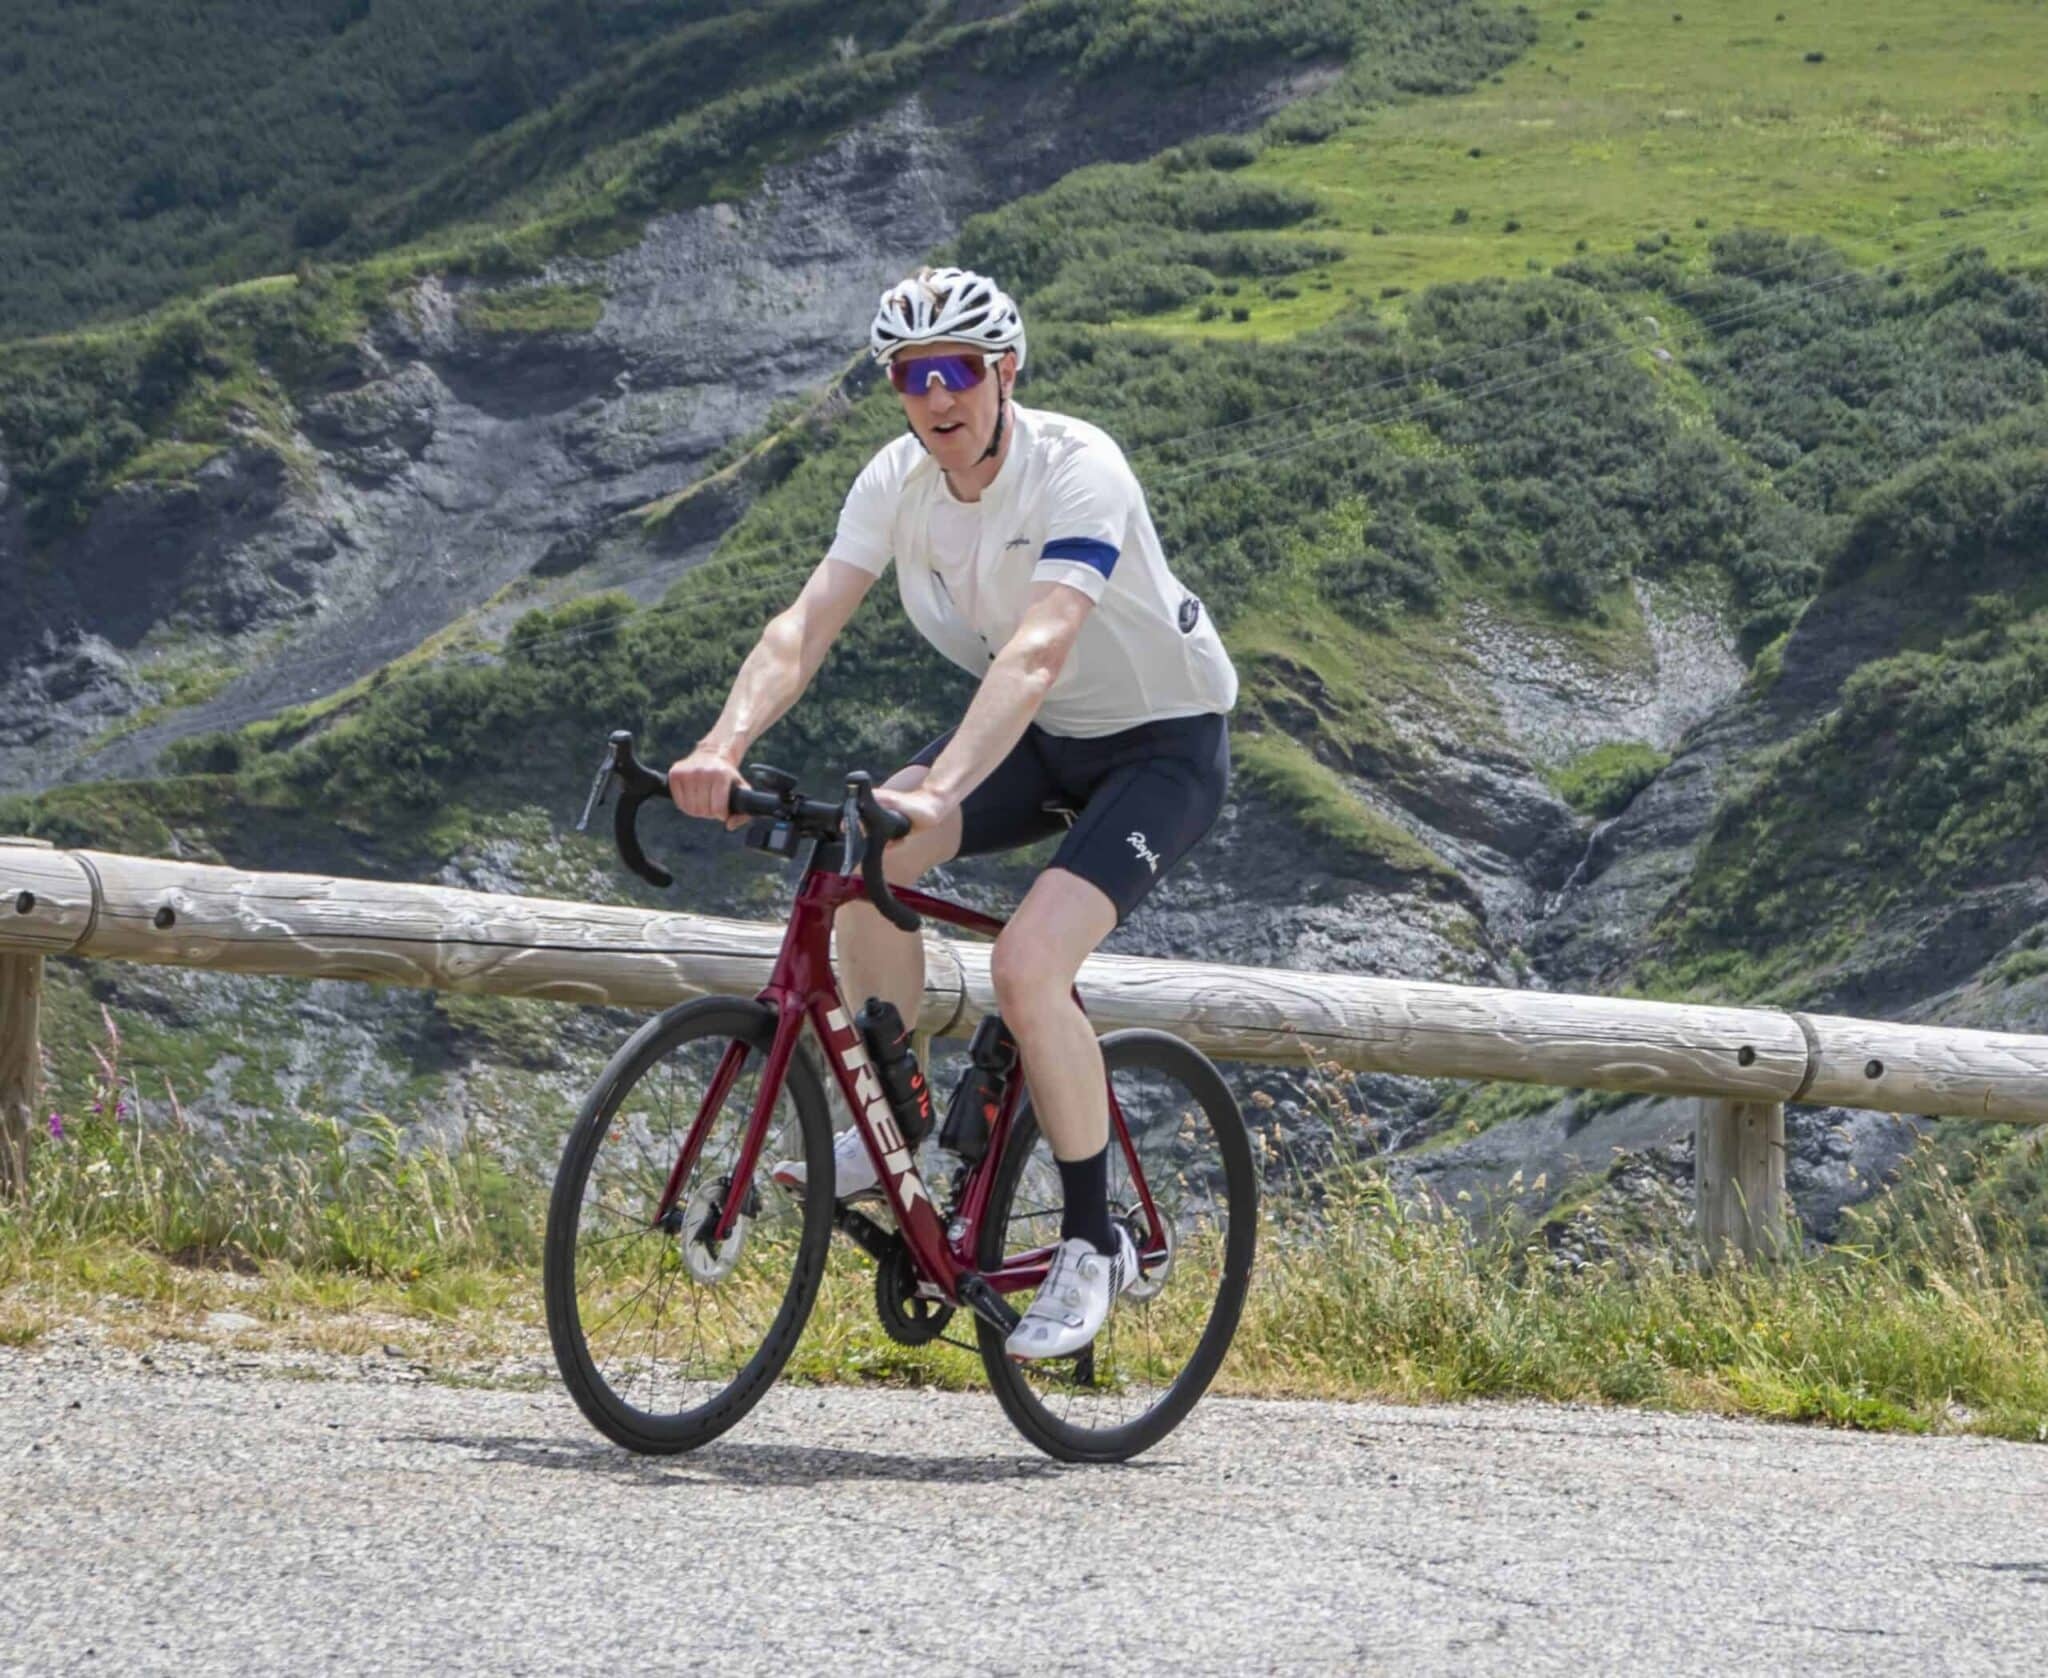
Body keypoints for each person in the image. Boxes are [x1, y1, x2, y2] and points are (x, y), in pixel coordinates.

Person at [667, 266, 1236, 1359]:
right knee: (851, 864)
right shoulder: (896, 482)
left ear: (1003, 370)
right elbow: (802, 625)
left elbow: (1037, 648)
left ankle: (1086, 1243)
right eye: (911, 375)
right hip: (1035, 736)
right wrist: (720, 744)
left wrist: (935, 787)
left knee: (1028, 966)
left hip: (1160, 745)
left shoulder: (1078, 468)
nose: (937, 395)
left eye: (958, 371)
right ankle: (901, 1131)